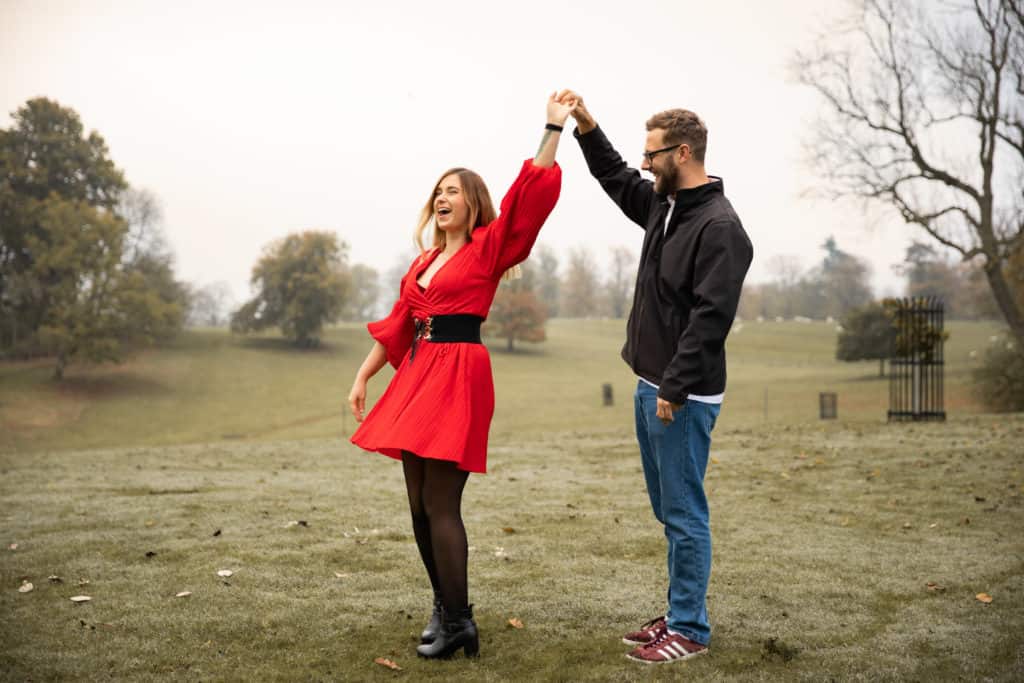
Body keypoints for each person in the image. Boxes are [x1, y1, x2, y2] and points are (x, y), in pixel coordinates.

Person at [347, 93, 576, 660]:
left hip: (459, 374)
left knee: (443, 504)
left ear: (473, 204)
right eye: (438, 192)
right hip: (419, 376)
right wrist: (363, 376)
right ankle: (444, 606)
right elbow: (400, 323)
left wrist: (551, 125)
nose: (442, 198)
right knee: (418, 505)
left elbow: (530, 194)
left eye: (453, 191)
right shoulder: (422, 263)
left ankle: (462, 623)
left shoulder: (488, 249)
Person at [558, 90, 753, 665]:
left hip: (682, 394)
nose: (645, 163)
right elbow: (618, 180)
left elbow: (710, 318)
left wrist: (673, 387)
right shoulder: (666, 207)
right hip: (651, 383)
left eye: (653, 154)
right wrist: (588, 128)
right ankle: (679, 609)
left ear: (683, 153)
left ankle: (690, 628)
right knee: (669, 511)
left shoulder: (720, 227)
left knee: (685, 511)